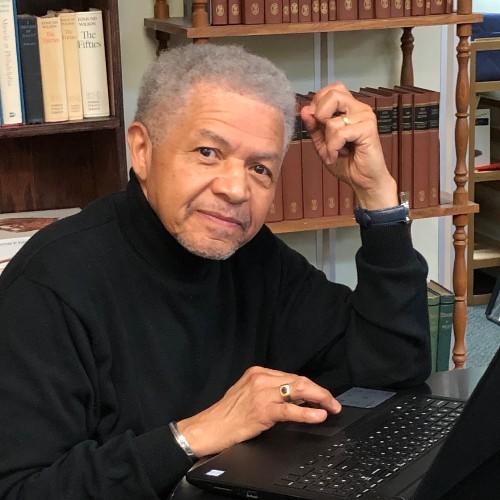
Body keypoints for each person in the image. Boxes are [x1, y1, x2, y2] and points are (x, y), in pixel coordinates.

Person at [0, 44, 430, 499]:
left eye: (260, 168)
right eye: (208, 152)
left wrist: (376, 194)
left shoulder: (252, 257)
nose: (235, 188)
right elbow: (22, 490)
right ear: (143, 150)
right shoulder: (49, 287)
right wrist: (193, 436)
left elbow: (393, 368)